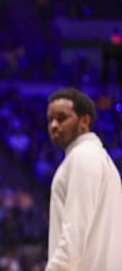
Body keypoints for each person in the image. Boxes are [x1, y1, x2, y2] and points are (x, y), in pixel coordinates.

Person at [45, 87, 122, 270]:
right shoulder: (102, 159)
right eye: (50, 120)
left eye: (62, 118)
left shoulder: (82, 156)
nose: (54, 125)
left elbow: (74, 235)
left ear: (84, 121)